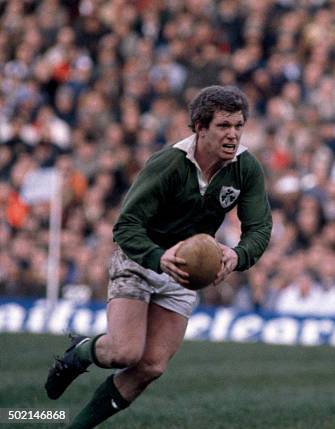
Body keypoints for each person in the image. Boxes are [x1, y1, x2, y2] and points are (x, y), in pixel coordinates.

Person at [44, 86, 272, 428]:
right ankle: (78, 354)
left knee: (150, 366)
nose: (233, 135)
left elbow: (259, 229)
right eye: (224, 126)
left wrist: (237, 256)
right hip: (141, 257)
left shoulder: (246, 167)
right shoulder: (168, 164)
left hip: (185, 270)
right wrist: (157, 257)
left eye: (238, 126)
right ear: (200, 127)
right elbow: (125, 227)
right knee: (124, 352)